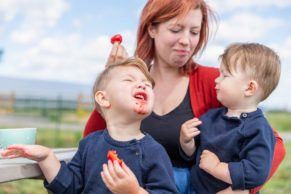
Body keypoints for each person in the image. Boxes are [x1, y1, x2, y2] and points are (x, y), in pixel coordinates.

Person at [83, 0, 286, 193]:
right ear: (152, 28)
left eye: (194, 32)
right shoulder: (130, 83)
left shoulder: (216, 82)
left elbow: (273, 144)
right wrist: (112, 79)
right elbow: (93, 139)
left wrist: (241, 190)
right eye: (176, 29)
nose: (186, 41)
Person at [1, 58, 179, 194]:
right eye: (129, 80)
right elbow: (69, 187)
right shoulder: (89, 144)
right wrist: (47, 157)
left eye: (147, 84)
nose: (142, 84)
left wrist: (134, 191)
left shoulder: (155, 151)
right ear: (103, 98)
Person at [180, 43, 280, 193]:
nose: (216, 80)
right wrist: (187, 142)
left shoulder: (258, 129)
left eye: (224, 75)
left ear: (249, 88)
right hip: (194, 185)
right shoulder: (211, 117)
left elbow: (256, 173)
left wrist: (216, 168)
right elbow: (195, 156)